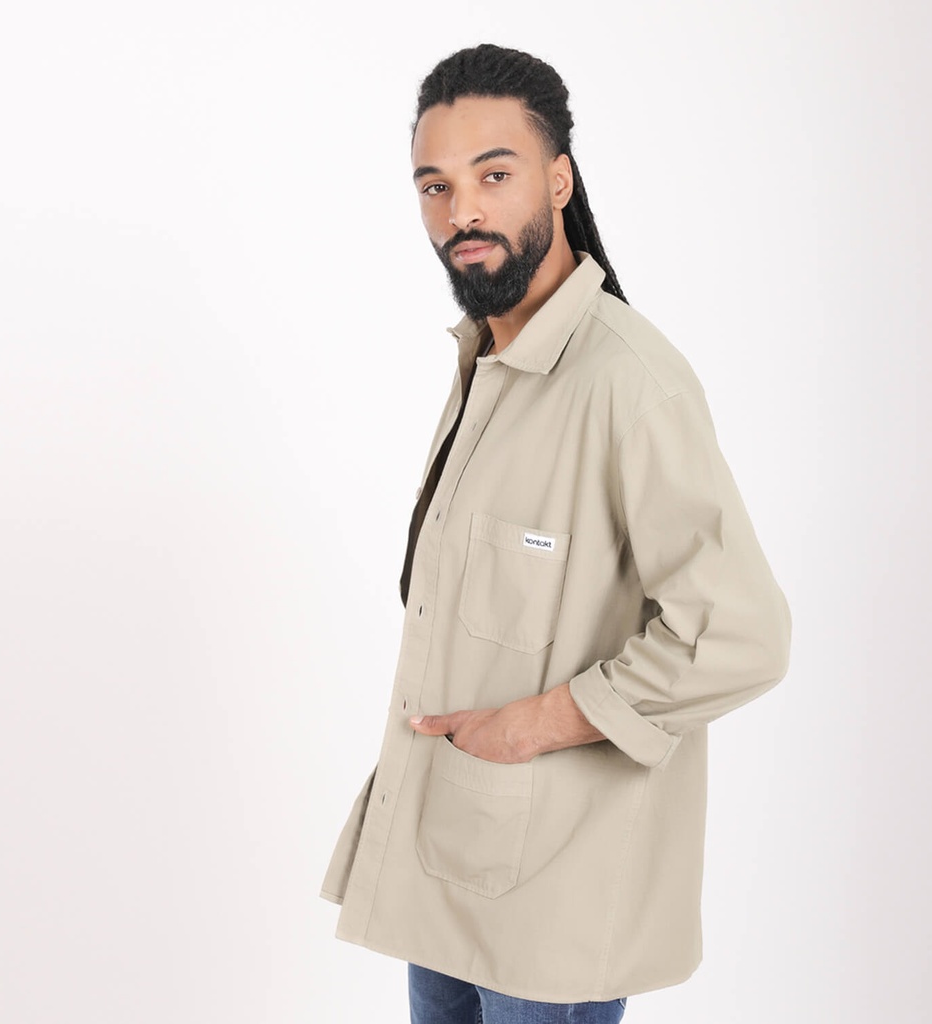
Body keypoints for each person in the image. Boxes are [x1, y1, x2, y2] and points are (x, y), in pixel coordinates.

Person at [319, 43, 792, 1024]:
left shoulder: (629, 385)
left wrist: (534, 723)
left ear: (560, 180)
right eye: (436, 186)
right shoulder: (487, 367)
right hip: (444, 875)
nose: (462, 213)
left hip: (550, 911)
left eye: (493, 175)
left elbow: (741, 633)